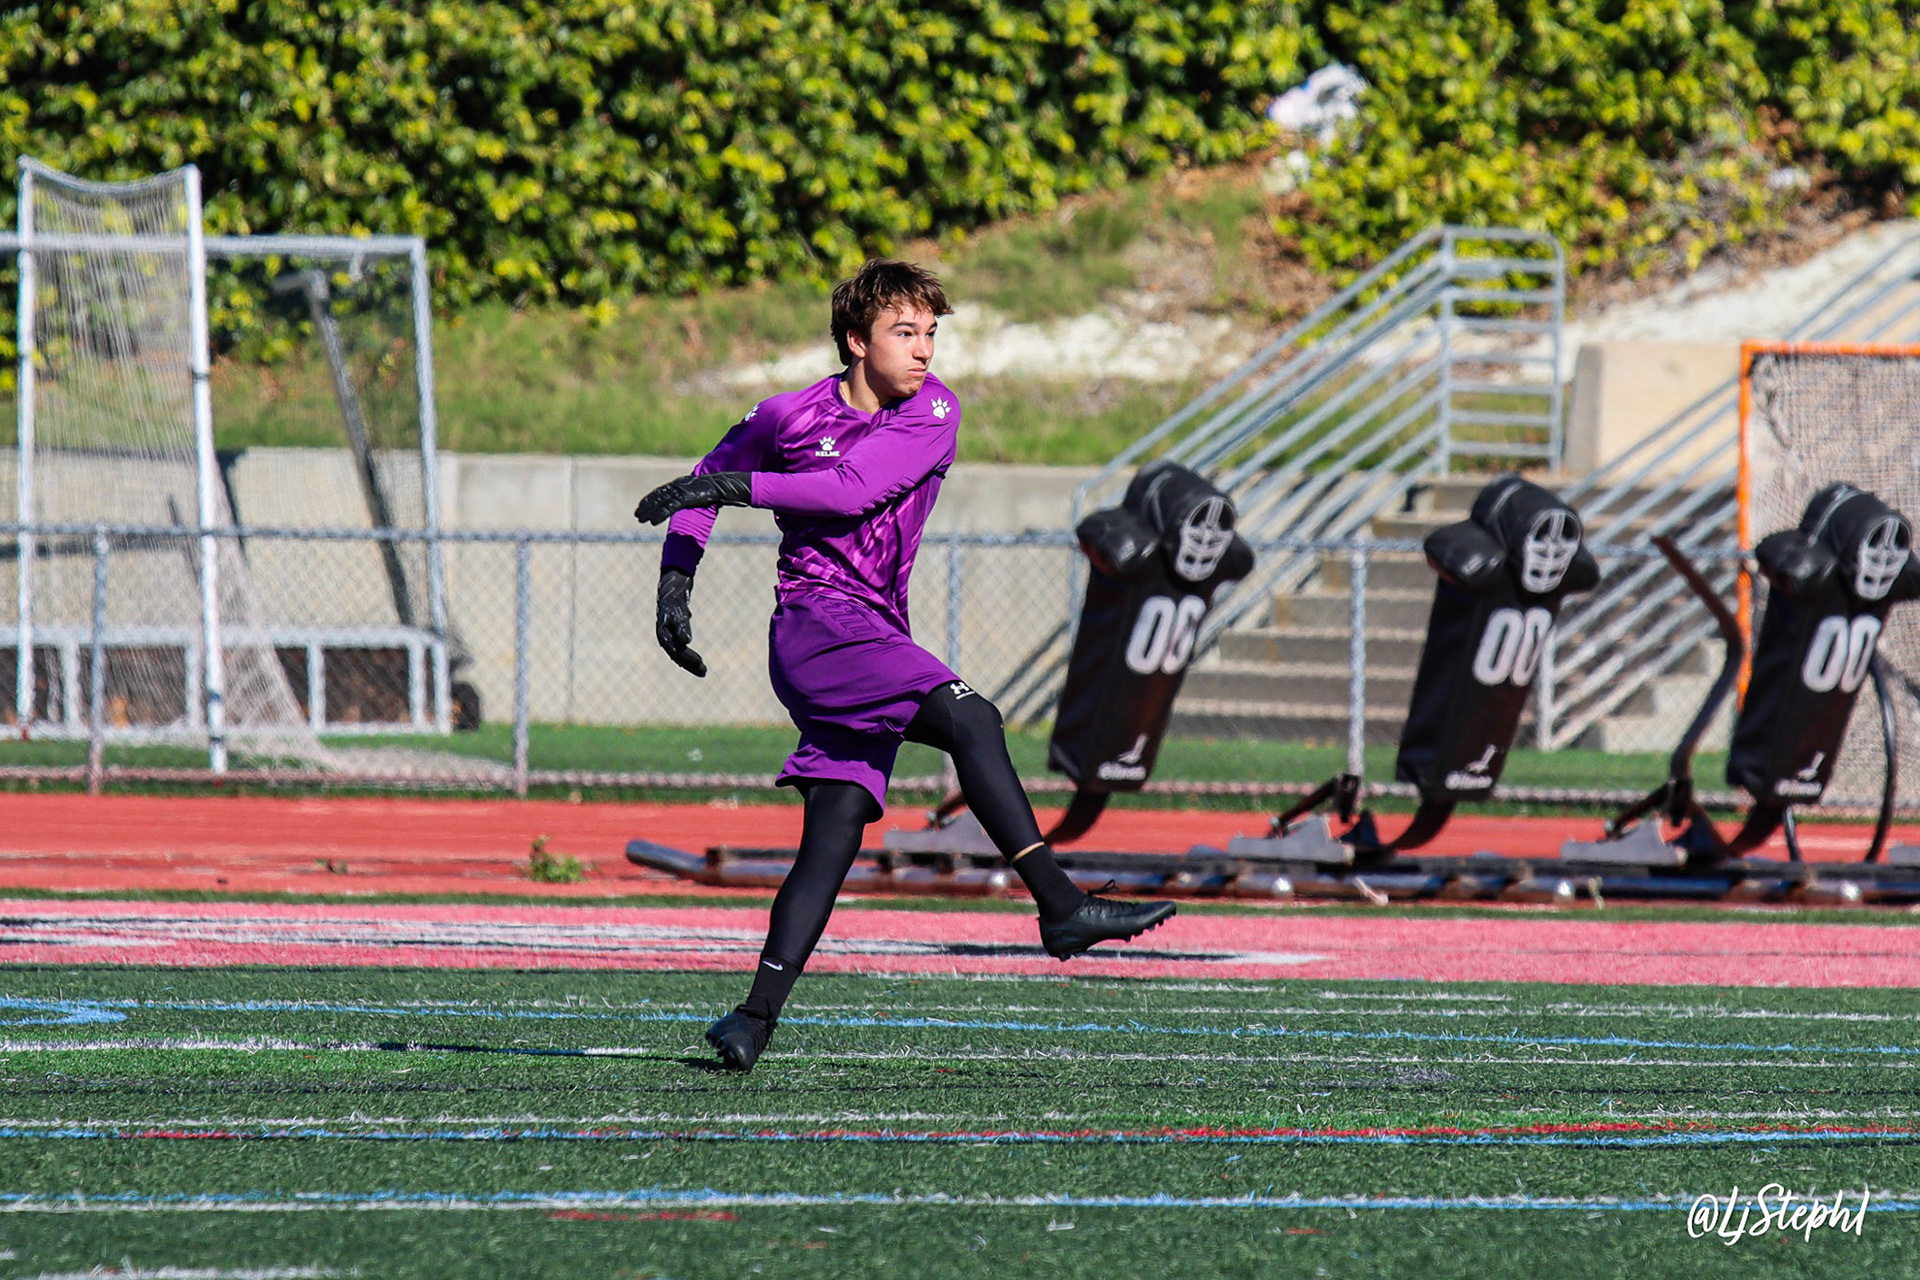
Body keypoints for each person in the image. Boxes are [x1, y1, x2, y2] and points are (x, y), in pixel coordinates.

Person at [634, 259, 1176, 1071]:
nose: (924, 349)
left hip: (876, 632)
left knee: (835, 831)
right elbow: (702, 485)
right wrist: (676, 584)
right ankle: (1061, 906)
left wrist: (732, 489)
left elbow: (848, 489)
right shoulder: (787, 414)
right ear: (857, 341)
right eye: (904, 332)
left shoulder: (934, 410)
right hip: (818, 629)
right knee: (972, 717)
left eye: (930, 332)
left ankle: (752, 1019)